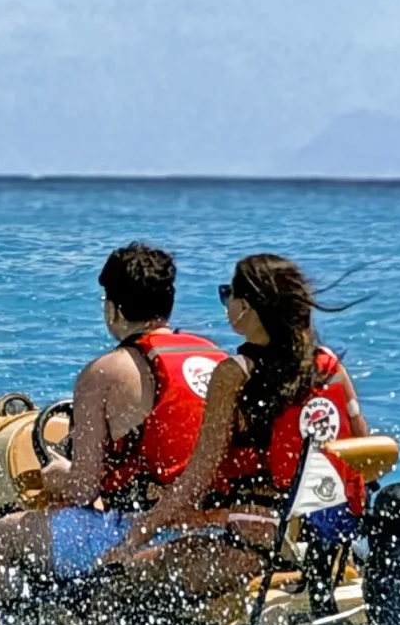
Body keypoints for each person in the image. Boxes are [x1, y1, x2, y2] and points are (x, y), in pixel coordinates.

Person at [0, 242, 222, 588]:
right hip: (211, 527)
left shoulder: (103, 374)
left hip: (144, 532)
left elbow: (82, 489)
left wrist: (57, 474)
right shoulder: (213, 358)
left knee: (5, 533)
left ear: (113, 310)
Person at [129, 253, 369, 595]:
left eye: (229, 294)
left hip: (257, 547)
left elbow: (198, 478)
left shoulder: (234, 374)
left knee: (125, 576)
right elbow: (364, 449)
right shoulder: (330, 367)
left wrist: (136, 535)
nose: (226, 302)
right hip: (327, 543)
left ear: (247, 307)